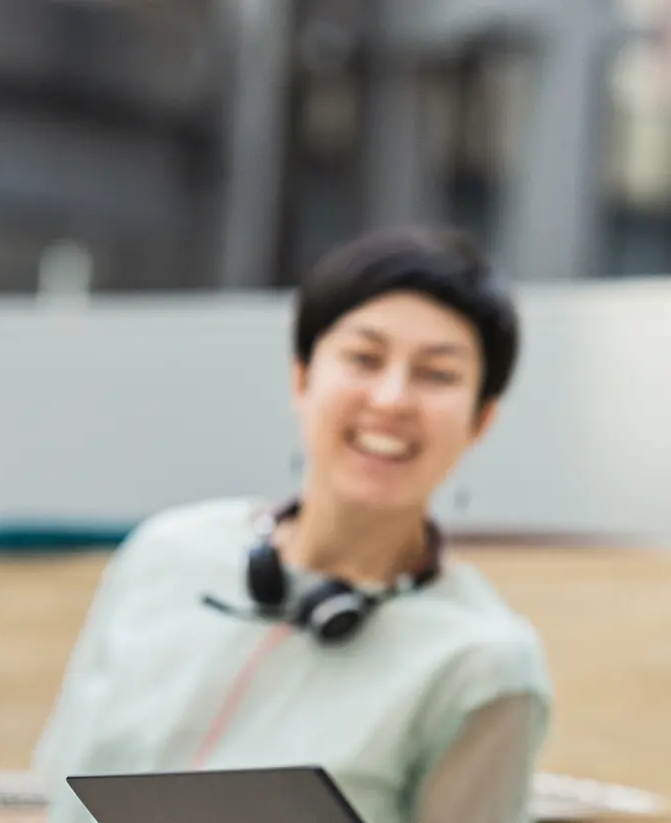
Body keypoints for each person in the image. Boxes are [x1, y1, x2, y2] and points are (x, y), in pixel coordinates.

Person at [33, 226, 550, 823]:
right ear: (301, 378)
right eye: (363, 358)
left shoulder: (485, 665)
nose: (390, 399)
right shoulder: (162, 555)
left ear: (481, 419)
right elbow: (57, 797)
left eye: (437, 374)